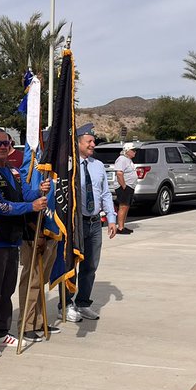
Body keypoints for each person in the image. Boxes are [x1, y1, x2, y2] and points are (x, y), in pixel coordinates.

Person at [0, 129, 47, 348]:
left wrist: (39, 191)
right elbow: (0, 206)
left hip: (13, 239)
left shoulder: (12, 171)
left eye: (7, 143)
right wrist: (31, 206)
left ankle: (0, 331)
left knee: (7, 290)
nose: (3, 147)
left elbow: (22, 195)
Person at [68, 124, 117, 323]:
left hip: (94, 222)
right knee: (70, 264)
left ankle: (83, 303)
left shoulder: (97, 166)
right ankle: (66, 304)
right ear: (78, 142)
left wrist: (111, 219)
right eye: (89, 141)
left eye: (93, 141)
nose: (92, 144)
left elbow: (105, 193)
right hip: (75, 222)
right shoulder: (68, 166)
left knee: (90, 266)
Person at [17, 137, 59, 342]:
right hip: (35, 230)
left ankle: (39, 321)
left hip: (52, 229)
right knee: (31, 279)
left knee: (41, 279)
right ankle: (26, 324)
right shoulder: (35, 163)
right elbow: (28, 194)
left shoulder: (56, 168)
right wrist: (38, 230)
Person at [113, 143, 138, 234]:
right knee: (123, 206)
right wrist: (124, 186)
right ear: (127, 150)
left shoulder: (128, 160)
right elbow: (119, 173)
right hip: (124, 187)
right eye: (133, 150)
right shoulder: (122, 159)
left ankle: (122, 225)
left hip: (130, 186)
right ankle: (120, 228)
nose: (135, 152)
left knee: (126, 206)